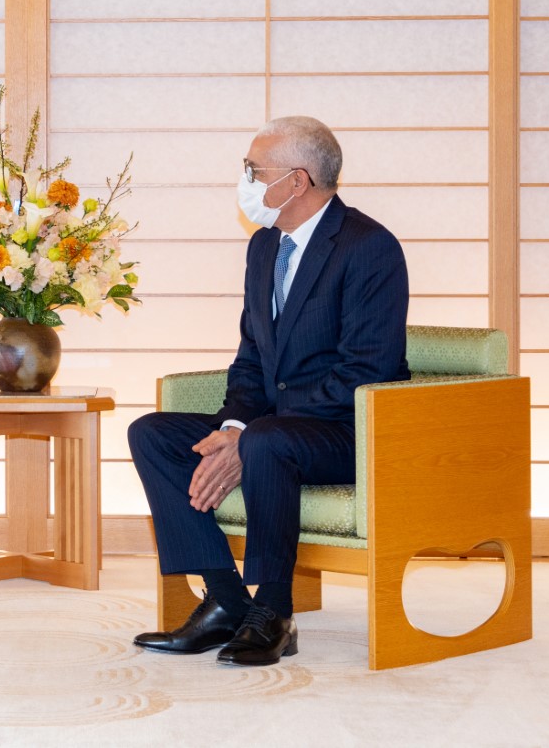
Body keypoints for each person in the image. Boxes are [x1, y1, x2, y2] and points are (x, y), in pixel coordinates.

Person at [127, 116, 409, 666]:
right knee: (154, 434)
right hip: (274, 429)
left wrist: (251, 435)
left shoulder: (369, 247)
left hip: (349, 431)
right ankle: (226, 602)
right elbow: (252, 357)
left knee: (268, 441)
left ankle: (274, 610)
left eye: (255, 170)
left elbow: (364, 373)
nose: (248, 180)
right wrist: (233, 426)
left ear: (297, 181)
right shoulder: (264, 247)